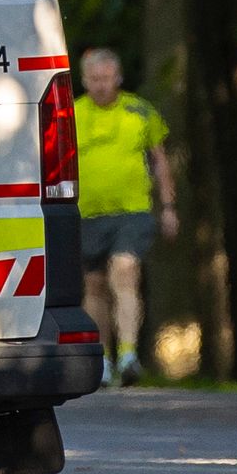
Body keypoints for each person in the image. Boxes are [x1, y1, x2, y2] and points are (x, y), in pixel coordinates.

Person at [72, 48, 177, 383]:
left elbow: (160, 160)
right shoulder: (71, 114)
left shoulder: (139, 111)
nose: (101, 85)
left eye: (107, 78)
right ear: (85, 80)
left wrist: (169, 206)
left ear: (118, 78)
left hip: (132, 210)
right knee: (94, 285)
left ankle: (128, 354)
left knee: (125, 269)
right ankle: (102, 359)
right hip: (87, 213)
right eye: (94, 79)